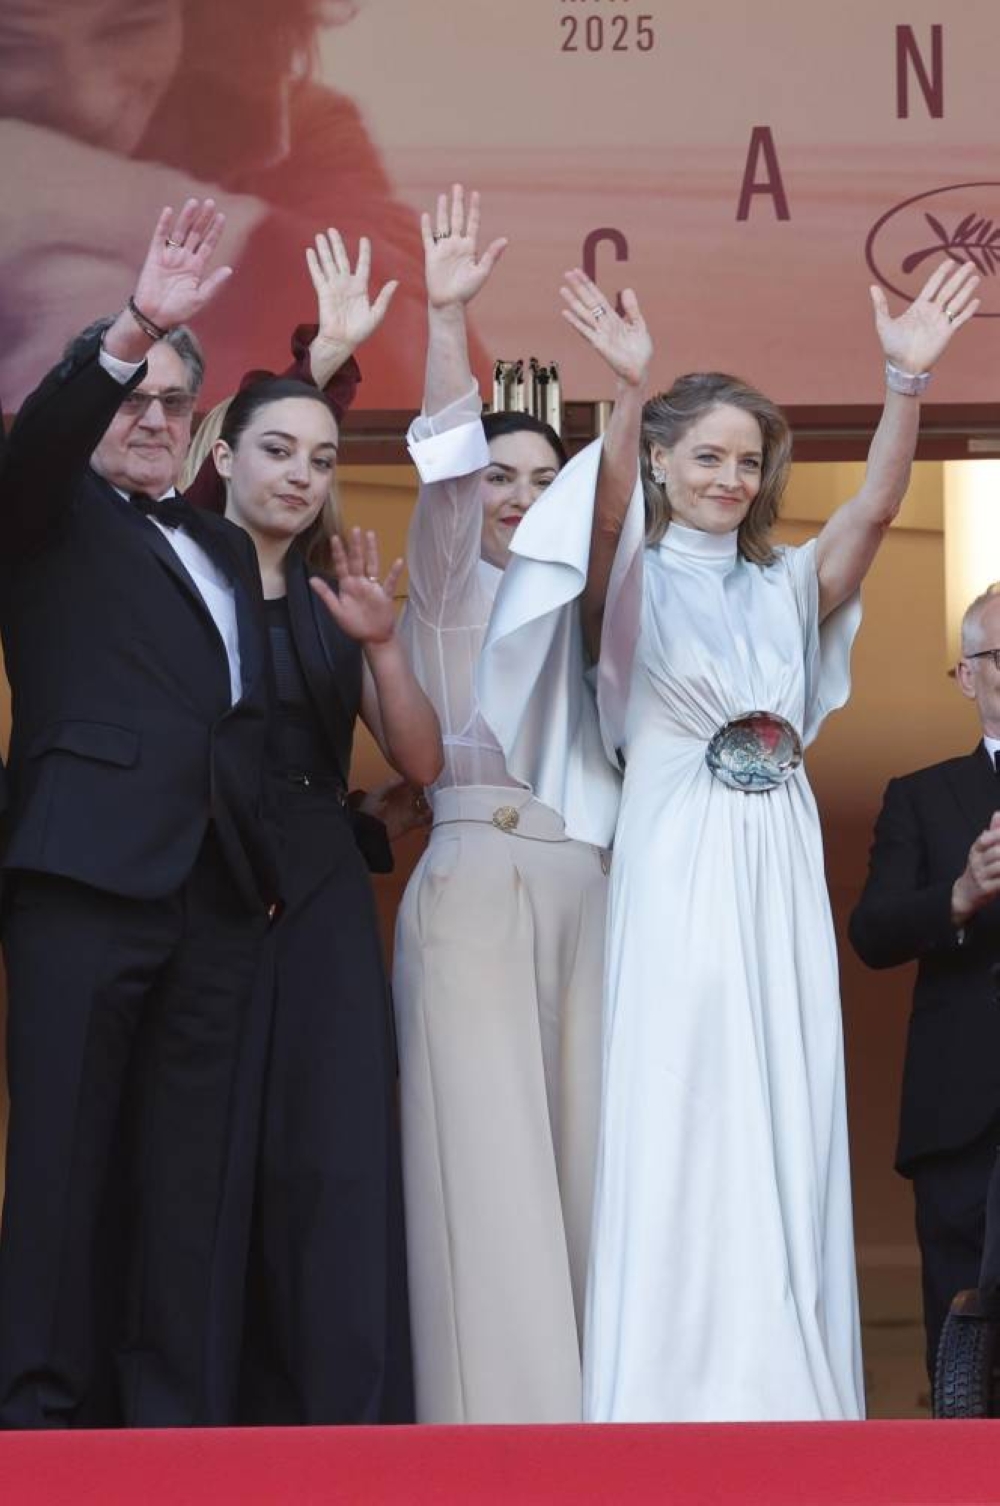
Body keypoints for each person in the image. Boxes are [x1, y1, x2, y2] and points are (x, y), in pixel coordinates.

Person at [478, 257, 980, 1421]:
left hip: (777, 865)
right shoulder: (628, 578)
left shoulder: (785, 585)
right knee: (684, 1088)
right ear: (660, 459)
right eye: (705, 456)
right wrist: (626, 388)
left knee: (782, 1094)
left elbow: (877, 508)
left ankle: (780, 1385)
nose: (728, 478)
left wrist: (904, 381)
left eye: (747, 462)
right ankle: (668, 1392)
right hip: (677, 861)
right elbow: (606, 515)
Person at [0, 199, 283, 1428]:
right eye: (134, 397)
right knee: (63, 1159)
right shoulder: (42, 513)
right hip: (83, 879)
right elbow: (41, 443)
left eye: (175, 401)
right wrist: (131, 328)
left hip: (212, 898)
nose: (154, 418)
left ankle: (170, 1427)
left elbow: (238, 722)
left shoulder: (220, 550)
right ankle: (38, 1416)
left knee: (188, 1172)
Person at [390, 186, 612, 1425]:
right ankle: (500, 1442)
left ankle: (602, 1429)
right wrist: (445, 320)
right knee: (485, 1170)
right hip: (477, 880)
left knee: (589, 1167)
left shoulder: (587, 607)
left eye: (541, 477)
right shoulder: (445, 582)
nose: (516, 494)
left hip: (589, 886)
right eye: (500, 476)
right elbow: (442, 461)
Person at [0, 0, 484, 411]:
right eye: (14, 49)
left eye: (132, 28)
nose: (90, 103)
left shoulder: (299, 134)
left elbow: (424, 381)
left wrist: (82, 194)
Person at [849, 583, 1000, 1379]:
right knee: (962, 1344)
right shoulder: (921, 796)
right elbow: (871, 933)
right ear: (967, 676)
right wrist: (959, 895)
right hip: (962, 1112)